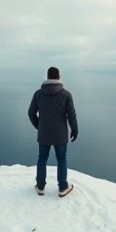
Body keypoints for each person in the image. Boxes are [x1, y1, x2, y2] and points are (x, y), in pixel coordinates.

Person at [28, 66, 78, 197]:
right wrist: (74, 129)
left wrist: (39, 126)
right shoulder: (66, 94)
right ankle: (62, 187)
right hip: (60, 134)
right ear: (59, 77)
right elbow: (71, 114)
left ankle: (40, 186)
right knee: (61, 159)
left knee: (42, 158)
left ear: (48, 77)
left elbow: (31, 113)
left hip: (44, 134)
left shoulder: (38, 94)